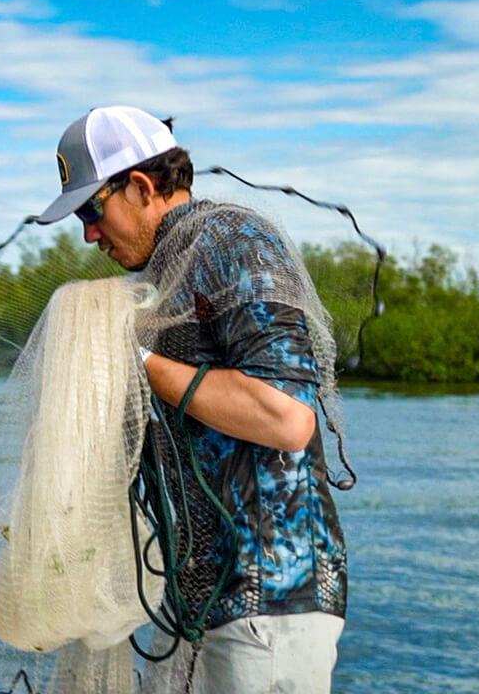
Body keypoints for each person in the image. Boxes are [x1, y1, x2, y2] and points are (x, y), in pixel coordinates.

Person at [36, 106, 348, 694]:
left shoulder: (232, 239)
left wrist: (135, 361)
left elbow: (286, 417)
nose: (88, 234)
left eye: (91, 210)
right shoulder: (164, 269)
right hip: (194, 600)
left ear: (142, 187)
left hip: (269, 605)